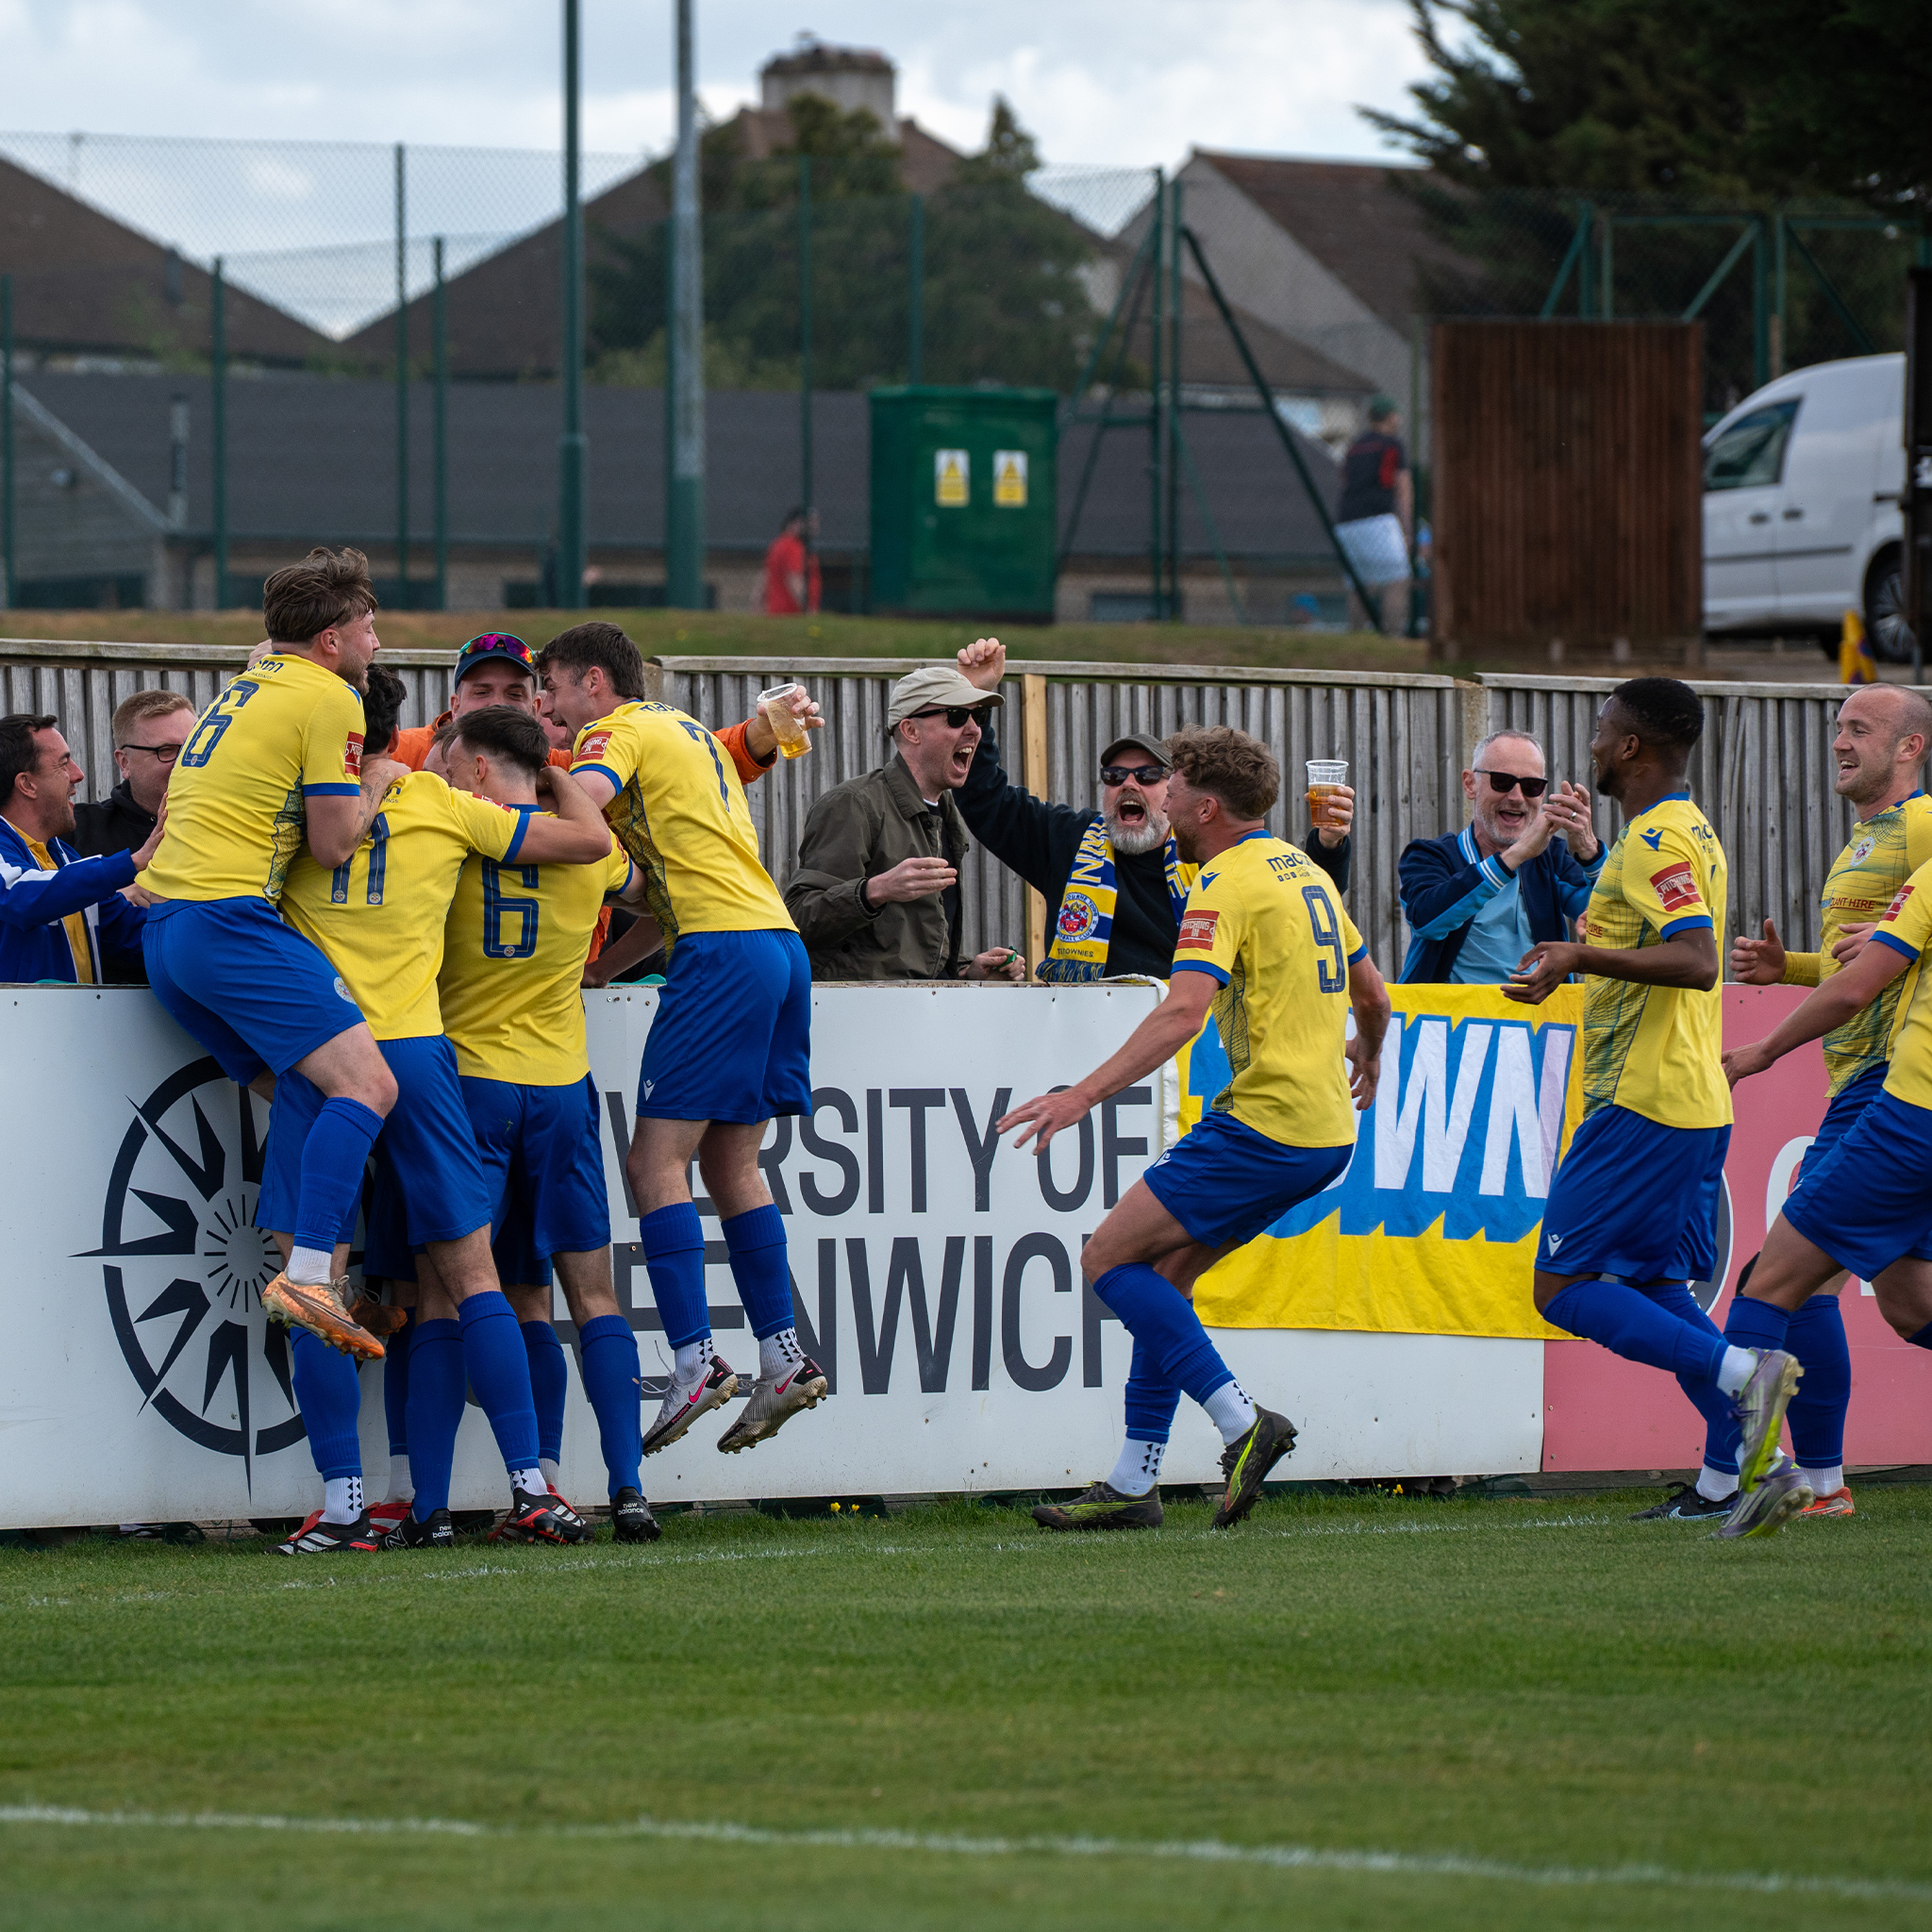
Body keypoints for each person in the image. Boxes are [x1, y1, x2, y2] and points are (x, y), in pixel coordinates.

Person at [256, 665, 615, 1554]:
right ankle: (533, 1486)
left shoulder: (288, 818)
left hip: (325, 1054)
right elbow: (586, 845)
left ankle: (343, 1505)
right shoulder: (443, 804)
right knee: (476, 1278)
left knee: (312, 1282)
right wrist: (553, 759)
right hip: (420, 1055)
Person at [999, 725, 1391, 1533]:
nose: (1163, 795)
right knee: (1162, 1280)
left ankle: (1244, 1425)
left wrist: (1080, 1096)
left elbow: (1182, 1011)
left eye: (1173, 784)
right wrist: (1372, 1059)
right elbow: (1374, 995)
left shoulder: (1223, 883)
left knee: (1107, 1257)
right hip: (1323, 1134)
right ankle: (1134, 1483)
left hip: (1267, 1126)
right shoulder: (1304, 870)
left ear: (1206, 806)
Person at [1503, 677, 1804, 1541]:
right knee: (1653, 1284)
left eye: (1602, 729)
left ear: (1632, 747)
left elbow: (1697, 959)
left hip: (1647, 1102)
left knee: (1559, 1289)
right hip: (1688, 1100)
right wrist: (1572, 965)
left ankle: (1747, 1377)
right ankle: (1726, 1477)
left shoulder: (1658, 838)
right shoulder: (1679, 828)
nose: (1592, 743)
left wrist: (1574, 952)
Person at [541, 621, 827, 1459]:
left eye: (553, 691)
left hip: (722, 953)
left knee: (651, 1164)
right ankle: (781, 1354)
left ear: (594, 681)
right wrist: (604, 969)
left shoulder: (615, 731)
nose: (550, 712)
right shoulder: (689, 732)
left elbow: (584, 804)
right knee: (733, 1165)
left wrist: (514, 801)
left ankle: (694, 1359)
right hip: (775, 944)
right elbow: (672, 887)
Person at [137, 547, 406, 1365]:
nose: (378, 642)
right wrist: (382, 784)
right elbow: (330, 847)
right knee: (371, 1083)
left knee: (307, 1088)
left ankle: (322, 1270)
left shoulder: (246, 681)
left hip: (166, 935)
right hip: (227, 922)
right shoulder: (332, 698)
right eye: (367, 626)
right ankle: (312, 1273)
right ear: (330, 639)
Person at [436, 702, 664, 1544]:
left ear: (485, 767)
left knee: (461, 1291)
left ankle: (518, 1488)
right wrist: (602, 964)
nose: (450, 772)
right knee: (587, 1293)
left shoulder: (455, 839)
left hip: (473, 1086)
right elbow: (658, 897)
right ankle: (628, 1488)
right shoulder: (588, 850)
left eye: (457, 760)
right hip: (563, 1087)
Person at [1718, 683, 1932, 1526]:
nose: (1839, 741)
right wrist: (1794, 968)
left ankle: (1777, 1481)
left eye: (1860, 729)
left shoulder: (1921, 827)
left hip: (1892, 1088)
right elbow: (1876, 955)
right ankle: (1821, 1483)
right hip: (1874, 1083)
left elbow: (1878, 970)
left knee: (1774, 1285)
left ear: (1910, 747)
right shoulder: (1873, 837)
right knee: (1911, 1303)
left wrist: (1762, 1050)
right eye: (1837, 727)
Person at [952, 637, 1353, 980]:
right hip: (1089, 1034)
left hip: (1190, 1039)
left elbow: (1301, 901)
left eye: (1146, 775)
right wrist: (974, 702)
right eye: (1113, 775)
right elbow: (986, 798)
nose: (1128, 783)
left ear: (1176, 790)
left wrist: (1329, 845)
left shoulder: (1211, 848)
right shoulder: (1067, 839)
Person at [784, 663, 1028, 982]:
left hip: (919, 1015)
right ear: (911, 731)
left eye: (978, 716)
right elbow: (797, 918)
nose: (974, 729)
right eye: (956, 717)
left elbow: (907, 950)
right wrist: (875, 890)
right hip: (863, 1017)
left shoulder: (945, 811)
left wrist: (966, 970)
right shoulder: (854, 804)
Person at [1397, 728, 1602, 983]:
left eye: (1531, 786)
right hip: (1453, 1020)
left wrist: (1589, 850)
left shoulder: (1550, 858)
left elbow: (1608, 918)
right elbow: (1427, 921)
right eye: (1502, 782)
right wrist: (1514, 857)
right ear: (1470, 784)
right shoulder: (1430, 856)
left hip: (1538, 1017)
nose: (1516, 797)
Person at [0, 713, 156, 985]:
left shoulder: (62, 858)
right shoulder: (38, 871)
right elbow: (21, 896)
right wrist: (131, 863)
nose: (78, 774)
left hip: (69, 1026)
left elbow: (135, 932)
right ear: (27, 784)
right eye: (63, 764)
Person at [69, 690, 195, 983]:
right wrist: (108, 903)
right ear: (124, 762)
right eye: (167, 751)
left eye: (193, 747)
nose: (184, 762)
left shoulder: (237, 825)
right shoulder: (76, 832)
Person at [1334, 396, 1413, 633]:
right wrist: (1407, 529)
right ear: (1390, 417)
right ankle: (1392, 635)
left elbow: (1344, 480)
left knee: (1360, 584)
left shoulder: (1355, 447)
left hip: (1346, 521)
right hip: (1378, 519)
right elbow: (1403, 488)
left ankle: (1356, 634)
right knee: (1397, 580)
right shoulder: (1392, 444)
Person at [761, 506, 821, 616]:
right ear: (796, 523)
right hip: (792, 614)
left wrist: (756, 609)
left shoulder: (777, 544)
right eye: (811, 521)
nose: (815, 526)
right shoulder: (795, 547)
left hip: (776, 614)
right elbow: (795, 579)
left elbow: (763, 580)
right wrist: (808, 610)